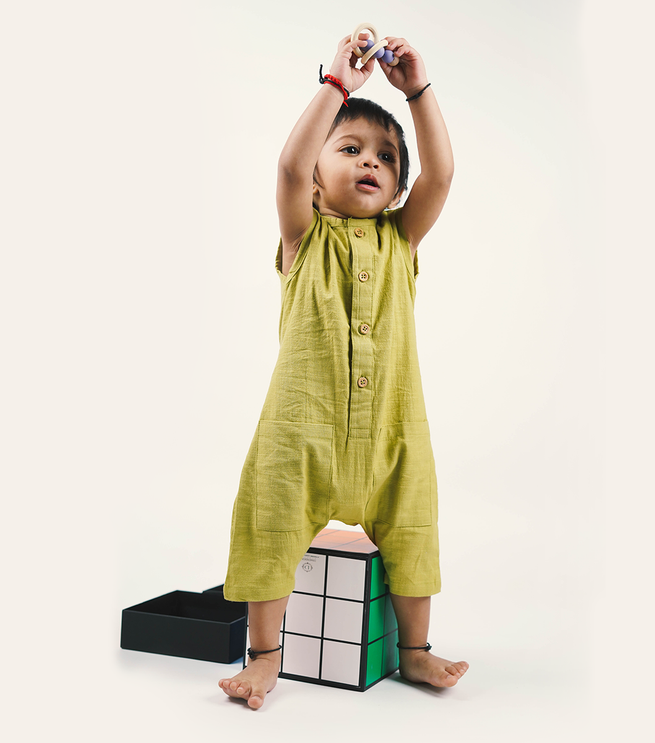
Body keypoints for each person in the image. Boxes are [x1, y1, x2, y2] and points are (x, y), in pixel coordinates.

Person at [219, 31, 469, 709]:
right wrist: (336, 87)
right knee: (271, 527)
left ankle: (413, 651)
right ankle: (265, 655)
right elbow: (287, 168)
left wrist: (417, 91)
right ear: (318, 174)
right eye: (350, 148)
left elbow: (442, 175)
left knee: (413, 531)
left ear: (396, 187)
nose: (370, 162)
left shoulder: (401, 238)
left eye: (386, 158)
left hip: (393, 434)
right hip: (301, 432)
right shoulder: (302, 236)